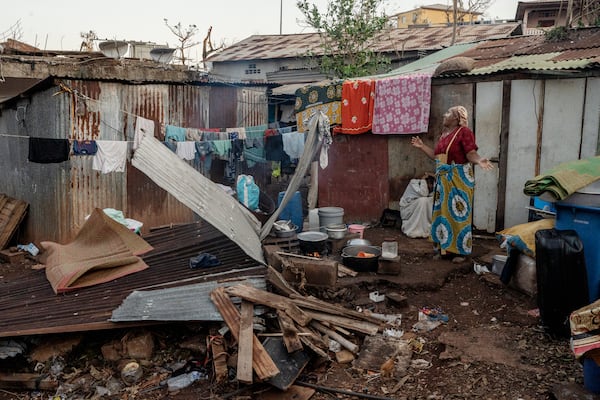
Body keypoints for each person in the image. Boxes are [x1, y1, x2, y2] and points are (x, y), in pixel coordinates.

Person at [410, 105, 494, 263]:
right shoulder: (444, 135)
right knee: (441, 214)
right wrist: (422, 147)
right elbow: (437, 157)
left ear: (456, 118)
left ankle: (459, 251)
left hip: (458, 179)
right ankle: (444, 249)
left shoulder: (464, 132)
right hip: (443, 181)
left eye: (448, 113)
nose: (444, 114)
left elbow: (470, 153)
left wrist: (479, 160)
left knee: (457, 213)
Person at [399, 173, 435, 239]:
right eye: (430, 183)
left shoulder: (431, 188)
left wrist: (435, 176)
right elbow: (423, 193)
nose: (431, 186)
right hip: (408, 209)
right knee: (422, 201)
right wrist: (423, 180)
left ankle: (425, 228)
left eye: (432, 184)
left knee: (429, 200)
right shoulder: (414, 183)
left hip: (416, 207)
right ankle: (416, 230)